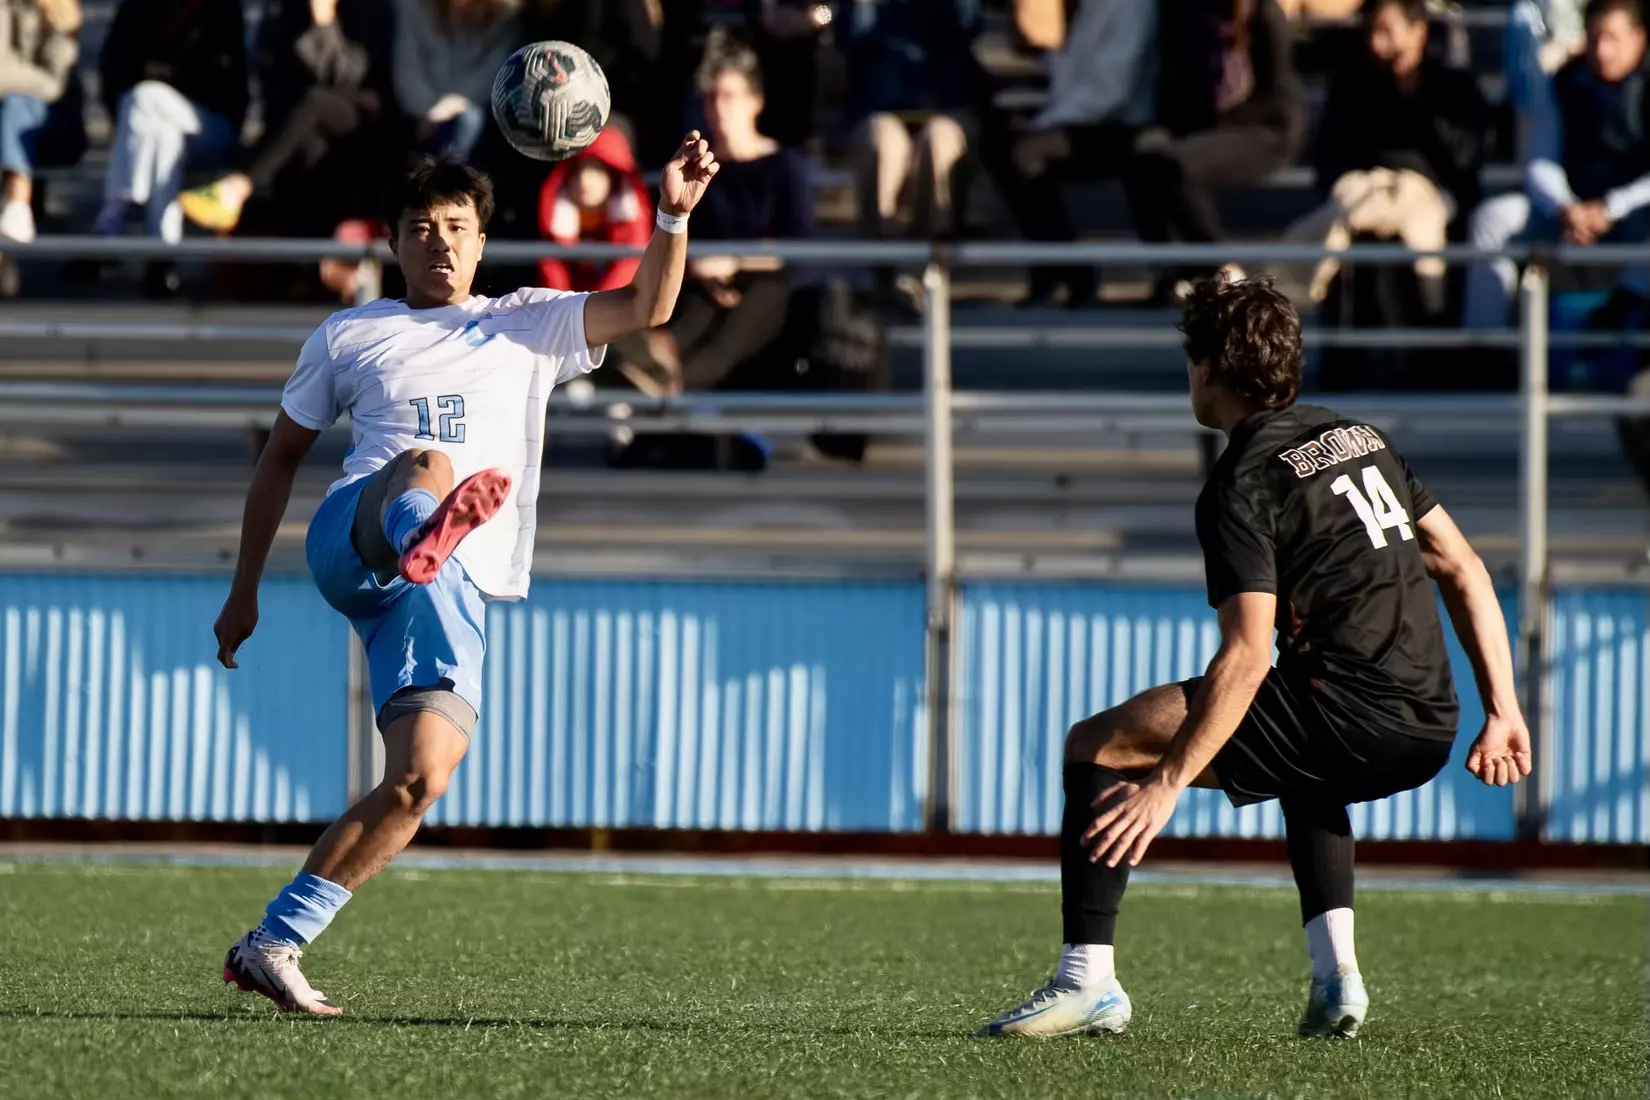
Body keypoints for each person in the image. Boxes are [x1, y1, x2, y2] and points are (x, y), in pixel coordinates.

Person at [211, 138, 719, 1015]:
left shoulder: (528, 322)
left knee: (421, 780)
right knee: (427, 464)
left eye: (456, 226)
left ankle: (272, 943)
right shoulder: (351, 332)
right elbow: (280, 458)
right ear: (392, 243)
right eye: (420, 227)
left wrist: (672, 213)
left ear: (482, 241)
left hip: (444, 585)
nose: (439, 241)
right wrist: (243, 589)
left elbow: (648, 304)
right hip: (354, 536)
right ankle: (426, 525)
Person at [978, 274, 1532, 1040]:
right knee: (1304, 768)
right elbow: (1464, 567)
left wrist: (1166, 781)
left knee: (1099, 742)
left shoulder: (1243, 481)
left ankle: (1087, 979)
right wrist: (1503, 710)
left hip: (1350, 714)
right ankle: (1338, 982)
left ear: (1208, 369)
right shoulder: (1363, 439)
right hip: (1432, 723)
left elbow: (1243, 656)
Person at [631, 35, 811, 397]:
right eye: (710, 98)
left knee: (742, 322)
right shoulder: (704, 169)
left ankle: (669, 389)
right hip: (706, 279)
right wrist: (705, 268)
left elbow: (795, 246)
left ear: (755, 101)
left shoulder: (785, 166)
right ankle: (650, 373)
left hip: (768, 285)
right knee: (687, 318)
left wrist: (734, 262)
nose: (718, 108)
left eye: (729, 96)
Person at [1280, 0, 1487, 312]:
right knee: (1347, 216)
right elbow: (1330, 154)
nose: (1378, 44)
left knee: (1415, 222)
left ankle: (1431, 314)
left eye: (1388, 32)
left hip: (1428, 196)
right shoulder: (1353, 83)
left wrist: (1414, 94)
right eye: (1373, 32)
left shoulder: (1454, 88)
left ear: (1418, 31)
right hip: (1362, 192)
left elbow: (1462, 161)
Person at [1464, 0, 1650, 331]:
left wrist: (1612, 207)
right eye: (1594, 38)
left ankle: (1626, 316)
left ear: (1639, 38)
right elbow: (1540, 159)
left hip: (1634, 215)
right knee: (1493, 219)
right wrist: (1565, 206)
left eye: (1612, 38)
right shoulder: (1564, 81)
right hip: (1571, 214)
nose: (1602, 51)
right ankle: (1485, 343)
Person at [1126, 0, 1303, 301]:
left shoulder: (1264, 14)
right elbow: (1176, 79)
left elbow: (1277, 95)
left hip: (1266, 132)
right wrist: (1165, 129)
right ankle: (1170, 273)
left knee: (1178, 163)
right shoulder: (1189, 11)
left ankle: (1223, 269)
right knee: (1141, 162)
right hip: (1208, 131)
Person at [987, 0, 1157, 307]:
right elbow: (1069, 77)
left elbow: (1110, 91)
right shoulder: (1086, 7)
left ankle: (1071, 272)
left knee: (1028, 155)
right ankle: (1055, 269)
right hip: (1083, 119)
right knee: (1001, 146)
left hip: (1123, 126)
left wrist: (1043, 125)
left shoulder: (1131, 7)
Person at [177, 0, 392, 236]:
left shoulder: (369, 9)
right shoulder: (289, 12)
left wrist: (324, 24)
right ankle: (310, 251)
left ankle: (237, 187)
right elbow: (280, 81)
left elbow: (343, 76)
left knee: (314, 101)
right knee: (311, 142)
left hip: (361, 115)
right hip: (305, 122)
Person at [96, 0, 247, 252]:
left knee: (144, 96)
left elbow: (223, 81)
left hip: (210, 126)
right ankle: (163, 249)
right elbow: (113, 70)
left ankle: (116, 214)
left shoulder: (220, 7)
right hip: (148, 126)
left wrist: (160, 76)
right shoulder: (138, 7)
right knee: (165, 136)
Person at [837, 0, 982, 244]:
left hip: (944, 109)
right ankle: (880, 245)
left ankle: (934, 245)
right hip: (880, 108)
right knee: (881, 141)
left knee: (938, 142)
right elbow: (844, 33)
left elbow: (971, 26)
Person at [392, 0, 523, 164]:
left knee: (469, 119)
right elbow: (408, 72)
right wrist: (431, 112)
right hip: (419, 116)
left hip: (473, 113)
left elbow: (492, 74)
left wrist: (454, 104)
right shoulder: (416, 7)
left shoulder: (504, 16)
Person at [0, 0, 80, 244]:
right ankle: (16, 209)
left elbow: (55, 84)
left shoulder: (60, 9)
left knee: (16, 104)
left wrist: (13, 81)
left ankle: (18, 200)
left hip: (53, 126)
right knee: (14, 104)